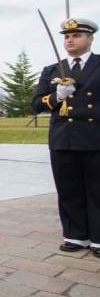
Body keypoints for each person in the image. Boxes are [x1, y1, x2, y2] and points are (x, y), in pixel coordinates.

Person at [31, 18, 100, 257]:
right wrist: (57, 96)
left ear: (90, 38)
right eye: (67, 36)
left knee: (97, 189)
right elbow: (36, 104)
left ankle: (98, 238)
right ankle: (75, 235)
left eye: (77, 35)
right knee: (68, 188)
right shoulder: (52, 70)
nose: (70, 40)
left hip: (95, 136)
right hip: (64, 138)